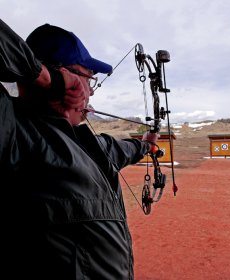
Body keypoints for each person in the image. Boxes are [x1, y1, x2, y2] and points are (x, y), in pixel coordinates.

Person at [0, 22, 159, 279]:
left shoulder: (90, 144)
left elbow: (123, 149)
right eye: (89, 79)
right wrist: (46, 78)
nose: (92, 92)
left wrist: (146, 144)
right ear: (66, 77)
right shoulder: (15, 132)